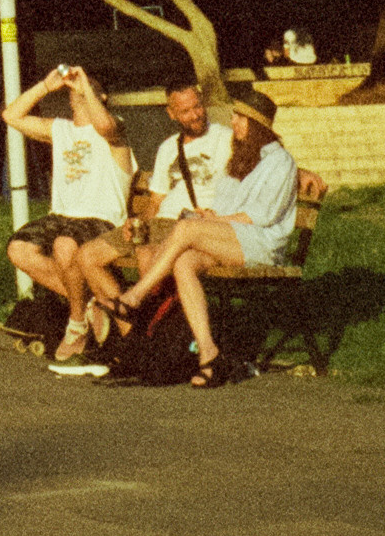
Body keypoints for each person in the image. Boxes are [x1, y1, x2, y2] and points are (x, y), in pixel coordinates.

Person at [102, 91, 300, 386]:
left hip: (262, 244)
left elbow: (260, 216)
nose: (233, 122)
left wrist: (212, 221)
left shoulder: (280, 162)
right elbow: (226, 206)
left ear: (256, 124)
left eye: (240, 118)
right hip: (233, 239)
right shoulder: (241, 158)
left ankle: (134, 298)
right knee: (184, 262)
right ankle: (209, 354)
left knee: (186, 228)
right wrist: (211, 214)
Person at [2, 63, 133, 365]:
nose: (78, 90)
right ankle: (89, 304)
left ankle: (76, 326)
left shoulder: (115, 128)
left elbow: (105, 126)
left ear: (102, 97)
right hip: (61, 216)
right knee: (18, 249)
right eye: (75, 90)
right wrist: (46, 86)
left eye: (87, 89)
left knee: (64, 245)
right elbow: (11, 116)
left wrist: (86, 86)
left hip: (100, 218)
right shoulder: (60, 130)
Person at [73, 76, 232, 322]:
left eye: (197, 106)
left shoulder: (227, 139)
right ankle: (131, 328)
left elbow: (257, 171)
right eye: (185, 111)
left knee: (146, 254)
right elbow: (156, 202)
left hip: (192, 225)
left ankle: (150, 326)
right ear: (172, 114)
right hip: (158, 224)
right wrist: (138, 221)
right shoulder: (168, 147)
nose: (195, 115)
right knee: (87, 255)